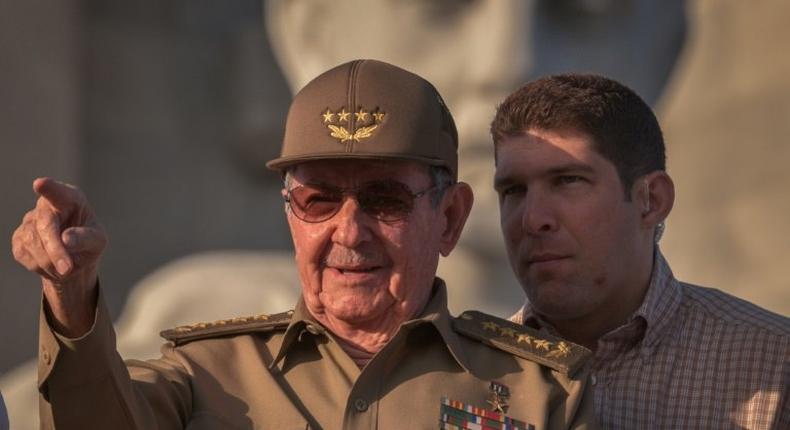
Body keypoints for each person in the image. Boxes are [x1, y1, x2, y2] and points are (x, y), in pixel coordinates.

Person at [12, 60, 597, 429]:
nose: (348, 232)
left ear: (449, 218)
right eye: (318, 200)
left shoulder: (541, 392)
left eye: (386, 199)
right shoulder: (203, 375)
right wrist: (71, 294)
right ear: (290, 214)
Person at [490, 74, 790, 429]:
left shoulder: (774, 365)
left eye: (568, 180)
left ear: (652, 201)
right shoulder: (466, 370)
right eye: (513, 190)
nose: (533, 219)